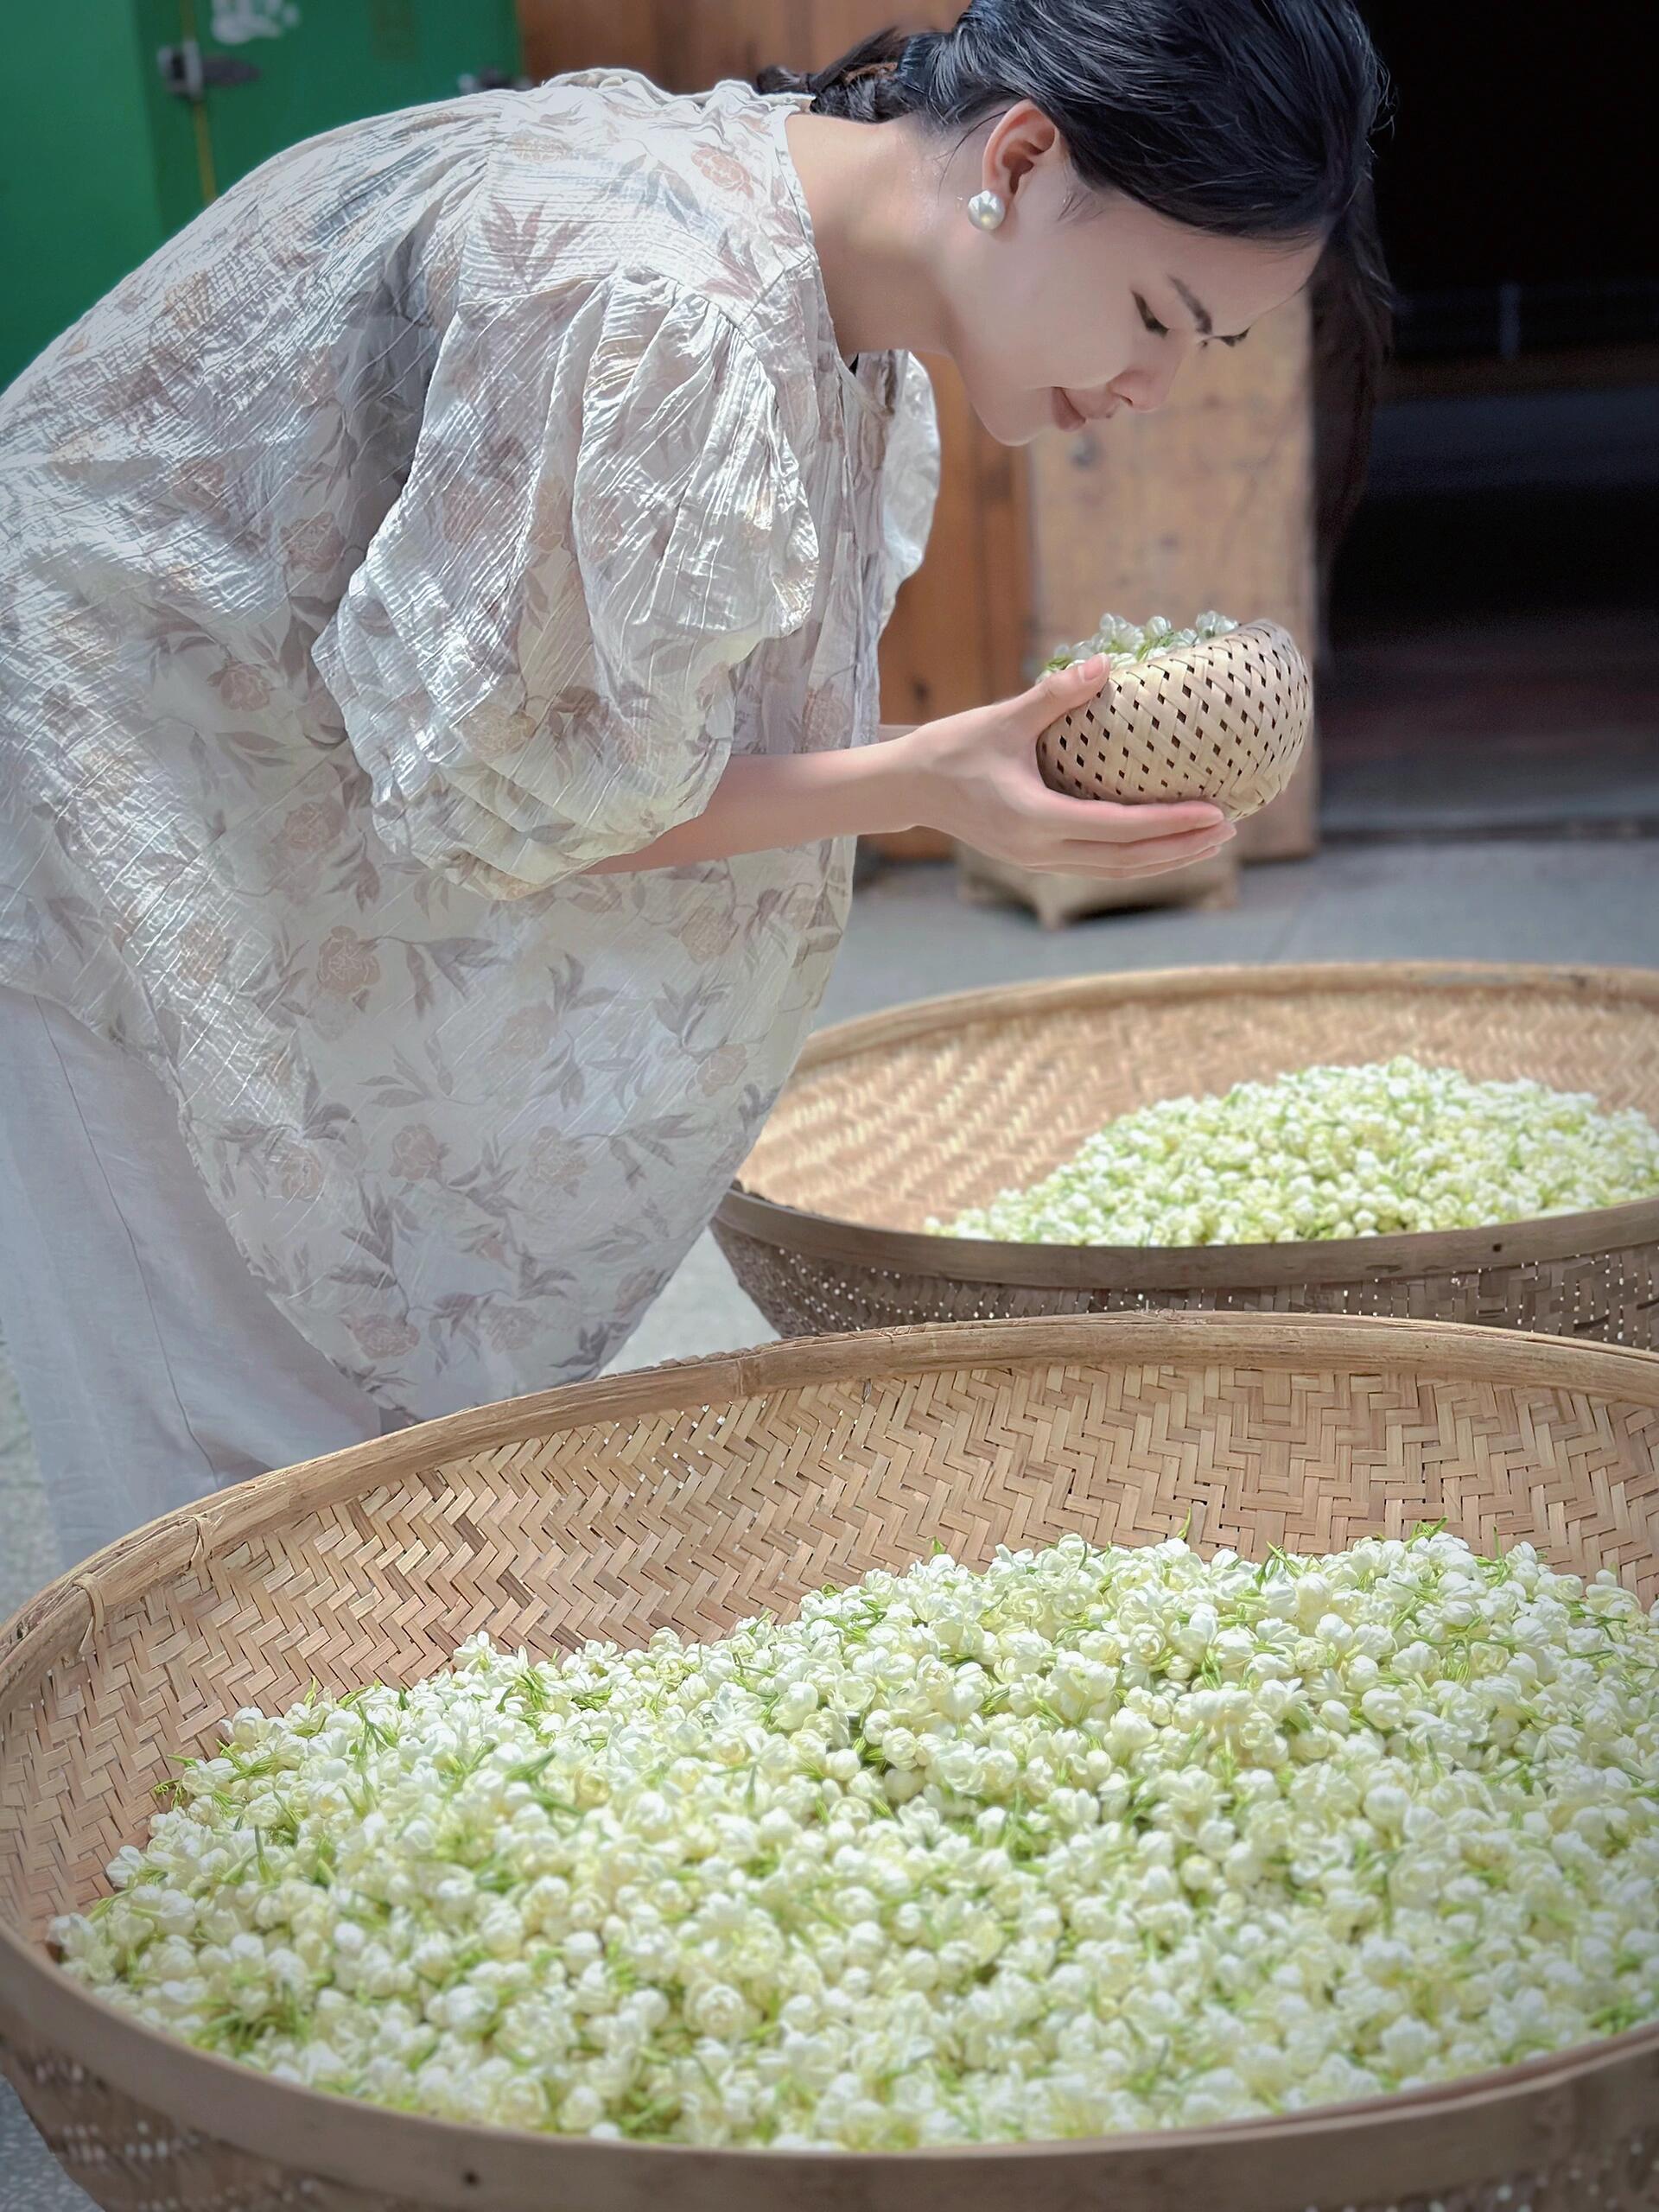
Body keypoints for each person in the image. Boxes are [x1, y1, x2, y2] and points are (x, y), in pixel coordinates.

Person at [0, 1, 1389, 1568]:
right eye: (1153, 311)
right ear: (1019, 156)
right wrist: (930, 778)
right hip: (107, 721)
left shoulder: (810, 247)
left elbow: (563, 751)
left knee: (341, 1295)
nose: (1154, 387)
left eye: (1202, 349)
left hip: (260, 709)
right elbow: (511, 794)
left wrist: (929, 777)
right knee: (217, 1403)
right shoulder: (661, 305)